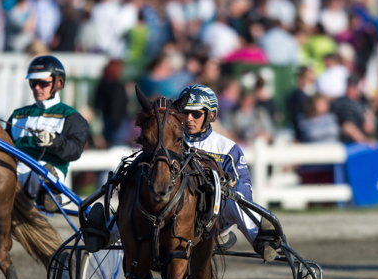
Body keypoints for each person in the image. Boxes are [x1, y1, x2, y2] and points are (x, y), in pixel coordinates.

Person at [82, 84, 281, 262]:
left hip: (215, 216)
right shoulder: (171, 139)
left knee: (235, 199)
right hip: (175, 211)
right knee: (138, 201)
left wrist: (228, 187)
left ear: (210, 115)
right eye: (185, 113)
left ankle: (261, 240)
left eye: (196, 114)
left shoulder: (227, 149)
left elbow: (244, 188)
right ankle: (105, 235)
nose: (189, 119)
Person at [5, 55, 90, 210]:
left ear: (59, 83)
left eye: (43, 83)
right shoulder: (18, 115)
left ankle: (47, 192)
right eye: (33, 83)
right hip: (13, 172)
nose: (37, 88)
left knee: (42, 169)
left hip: (48, 172)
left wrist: (53, 141)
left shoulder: (71, 117)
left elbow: (75, 151)